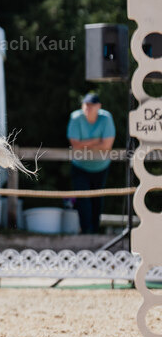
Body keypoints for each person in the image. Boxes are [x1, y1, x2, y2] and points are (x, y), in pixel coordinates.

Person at [67, 93, 115, 234]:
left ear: (98, 106)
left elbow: (107, 146)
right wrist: (96, 141)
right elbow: (75, 144)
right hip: (80, 166)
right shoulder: (76, 117)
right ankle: (85, 230)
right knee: (83, 198)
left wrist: (85, 144)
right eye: (86, 105)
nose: (88, 108)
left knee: (97, 199)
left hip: (101, 167)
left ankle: (94, 230)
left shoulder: (106, 118)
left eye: (91, 105)